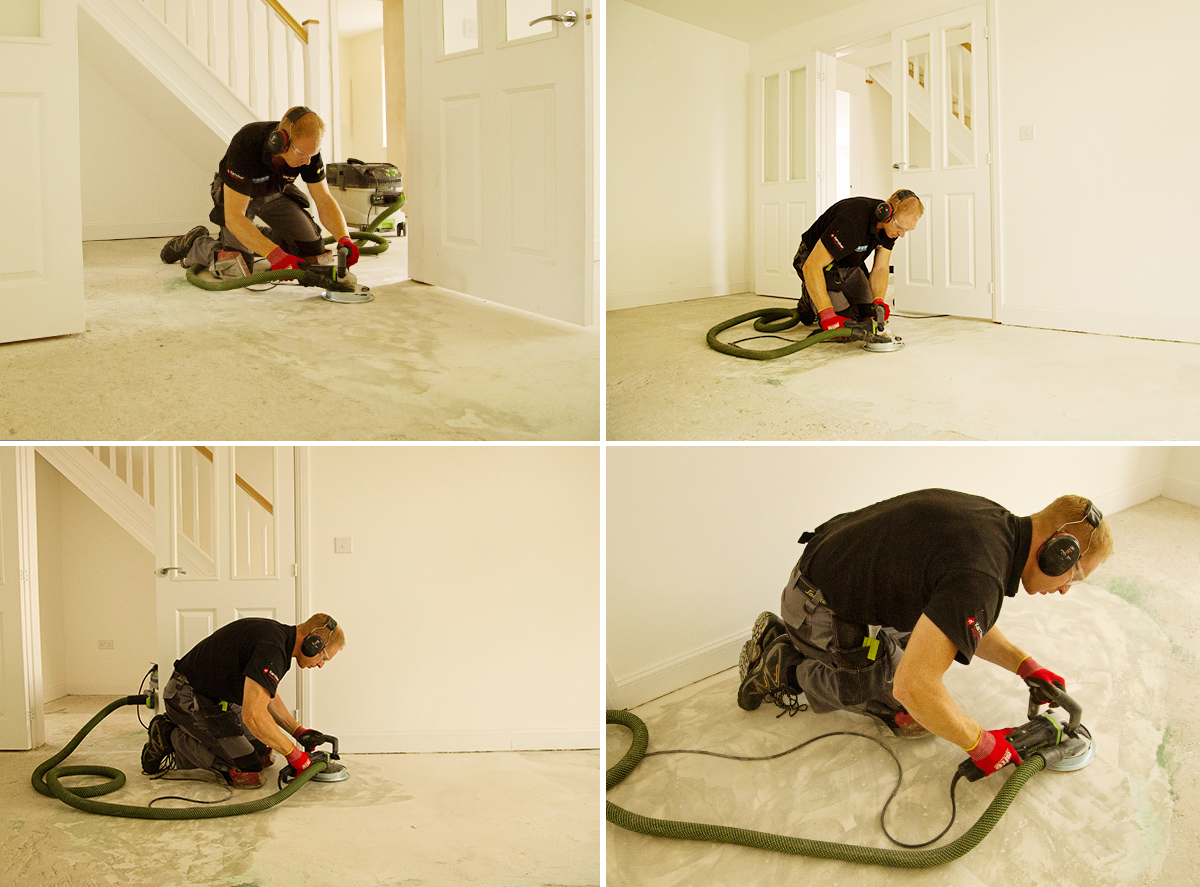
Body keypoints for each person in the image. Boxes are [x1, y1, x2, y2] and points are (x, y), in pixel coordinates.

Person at [737, 490, 1113, 777]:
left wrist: (1024, 665)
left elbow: (962, 613)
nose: (1066, 588)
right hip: (817, 608)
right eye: (1074, 575)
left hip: (827, 583)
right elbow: (913, 686)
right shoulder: (981, 572)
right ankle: (784, 665)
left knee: (926, 651)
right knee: (909, 710)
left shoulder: (995, 527)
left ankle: (794, 638)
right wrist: (982, 744)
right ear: (1059, 553)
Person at [141, 614, 344, 788]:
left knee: (263, 753)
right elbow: (253, 716)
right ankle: (168, 736)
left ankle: (189, 733)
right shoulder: (272, 647)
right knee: (248, 772)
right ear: (313, 643)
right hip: (187, 696)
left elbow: (266, 696)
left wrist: (298, 732)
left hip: (216, 700)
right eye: (324, 658)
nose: (320, 665)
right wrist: (295, 756)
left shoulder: (279, 641)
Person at [158, 106, 360, 279]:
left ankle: (251, 238)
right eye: (301, 154)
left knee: (313, 254)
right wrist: (273, 255)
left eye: (312, 155)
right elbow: (235, 216)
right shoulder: (247, 142)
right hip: (237, 196)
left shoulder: (308, 152)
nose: (307, 161)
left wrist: (344, 238)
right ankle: (197, 243)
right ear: (280, 142)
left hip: (275, 192)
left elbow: (323, 199)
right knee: (236, 267)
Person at [792, 191, 924, 332]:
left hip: (850, 263)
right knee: (843, 325)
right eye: (900, 228)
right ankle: (808, 298)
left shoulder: (891, 228)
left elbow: (881, 267)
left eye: (906, 230)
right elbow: (812, 265)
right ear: (885, 214)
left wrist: (878, 300)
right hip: (815, 261)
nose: (902, 235)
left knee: (867, 316)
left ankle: (829, 295)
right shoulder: (851, 221)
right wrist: (826, 313)